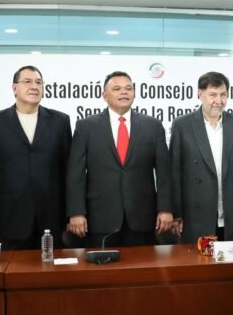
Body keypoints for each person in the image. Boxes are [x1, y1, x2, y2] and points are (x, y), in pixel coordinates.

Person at [66, 71, 174, 247]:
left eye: (128, 88)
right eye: (117, 89)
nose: (124, 92)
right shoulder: (86, 127)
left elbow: (164, 174)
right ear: (104, 95)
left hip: (142, 218)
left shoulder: (153, 126)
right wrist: (76, 212)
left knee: (143, 263)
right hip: (99, 217)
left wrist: (165, 209)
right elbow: (75, 174)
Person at [0, 65, 71, 250]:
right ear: (14, 88)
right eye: (27, 82)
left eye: (39, 82)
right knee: (14, 267)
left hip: (52, 217)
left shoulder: (60, 121)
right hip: (10, 217)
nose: (34, 86)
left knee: (51, 266)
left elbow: (68, 171)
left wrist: (71, 214)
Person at [169, 71, 233, 243]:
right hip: (195, 214)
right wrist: (177, 214)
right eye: (213, 95)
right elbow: (174, 173)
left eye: (223, 95)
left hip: (232, 213)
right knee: (198, 259)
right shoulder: (182, 125)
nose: (219, 101)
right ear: (200, 94)